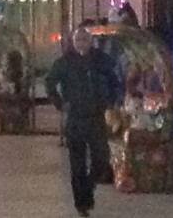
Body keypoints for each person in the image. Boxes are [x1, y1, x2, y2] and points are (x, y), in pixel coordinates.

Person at [46, 26, 122, 217]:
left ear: (91, 41)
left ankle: (88, 188)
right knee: (77, 163)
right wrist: (60, 103)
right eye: (78, 40)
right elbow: (50, 82)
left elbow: (115, 82)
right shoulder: (65, 63)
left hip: (96, 117)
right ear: (73, 42)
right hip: (76, 118)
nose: (81, 44)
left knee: (101, 159)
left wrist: (111, 102)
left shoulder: (102, 61)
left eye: (85, 40)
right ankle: (81, 202)